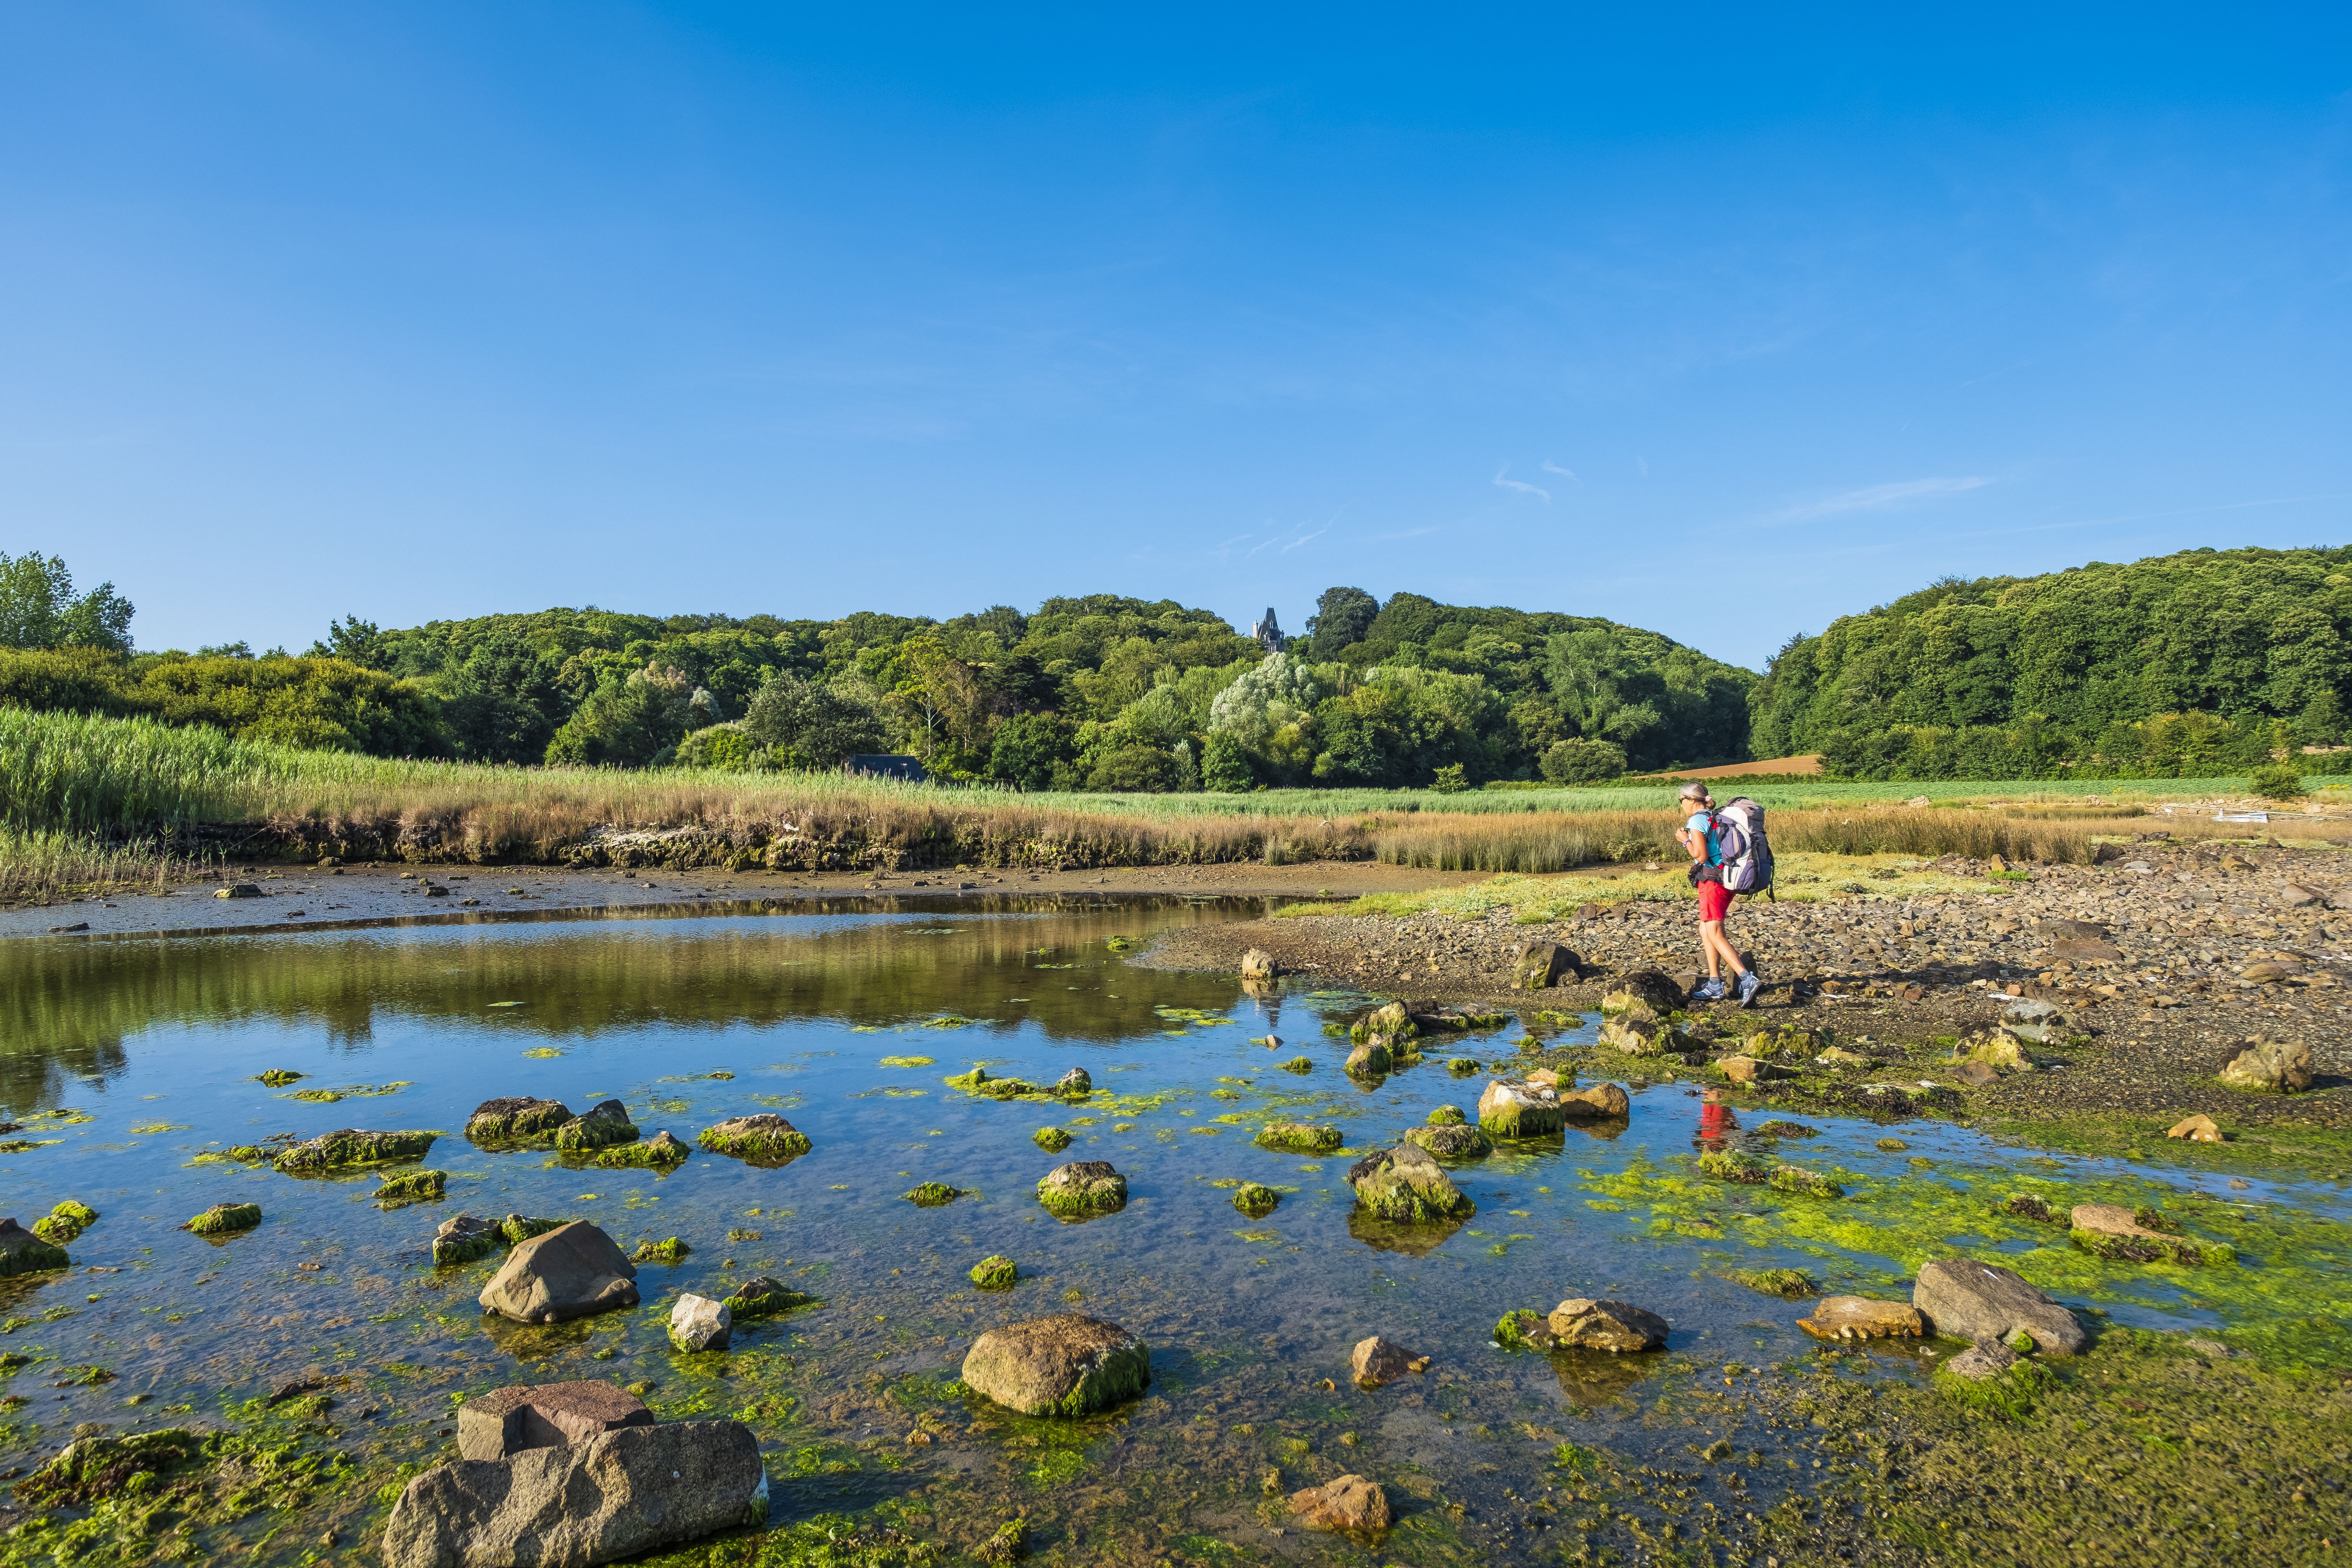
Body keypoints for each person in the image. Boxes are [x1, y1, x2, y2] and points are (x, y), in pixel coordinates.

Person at [1676, 781, 1760, 1006]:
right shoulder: (1713, 816)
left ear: (1692, 800)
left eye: (1682, 800)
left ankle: (1746, 978)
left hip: (1712, 879)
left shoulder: (1696, 820)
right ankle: (1715, 983)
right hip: (1725, 876)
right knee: (1706, 928)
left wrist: (1684, 840)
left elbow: (1701, 855)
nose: (1681, 804)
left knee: (1713, 931)